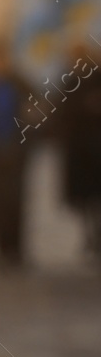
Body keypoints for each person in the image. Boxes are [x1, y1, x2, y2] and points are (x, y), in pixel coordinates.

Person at [0, 45, 34, 269]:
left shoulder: (20, 84)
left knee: (17, 200)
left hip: (16, 150)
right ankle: (1, 249)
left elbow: (38, 109)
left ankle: (17, 249)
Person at [58, 46, 101, 261]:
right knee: (87, 201)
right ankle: (91, 239)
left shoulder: (94, 78)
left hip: (93, 150)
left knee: (94, 200)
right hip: (79, 152)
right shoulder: (70, 80)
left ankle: (95, 239)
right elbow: (62, 111)